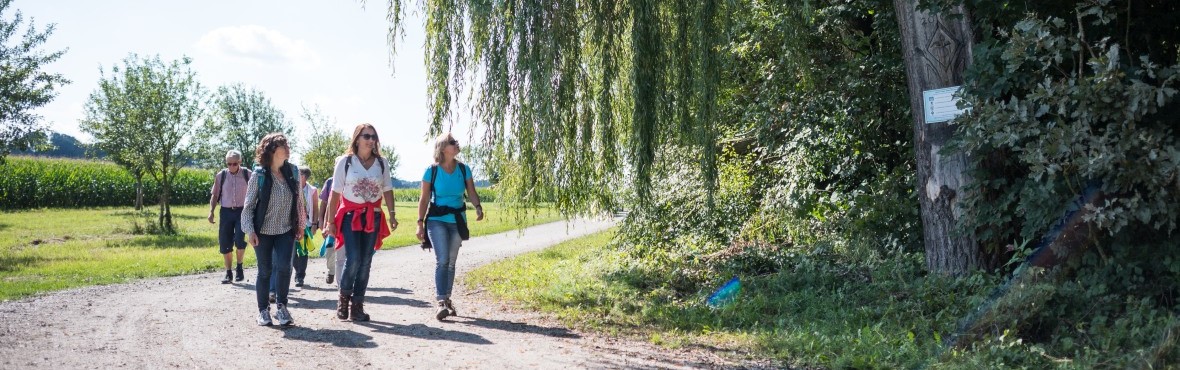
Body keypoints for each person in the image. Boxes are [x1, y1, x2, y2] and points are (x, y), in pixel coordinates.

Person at [324, 123, 398, 322]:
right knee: (354, 258)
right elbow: (335, 193)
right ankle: (344, 299)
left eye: (374, 137)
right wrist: (330, 221)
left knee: (366, 261)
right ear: (357, 139)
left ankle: (357, 305)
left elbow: (388, 189)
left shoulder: (382, 163)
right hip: (350, 216)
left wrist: (391, 214)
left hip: (372, 215)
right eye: (367, 136)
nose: (371, 140)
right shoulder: (345, 162)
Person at [415, 132, 484, 321]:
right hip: (437, 220)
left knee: (451, 262)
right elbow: (424, 199)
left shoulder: (463, 169)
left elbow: (471, 191)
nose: (456, 144)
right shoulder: (431, 171)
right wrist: (419, 223)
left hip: (458, 220)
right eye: (452, 142)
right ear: (443, 148)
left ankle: (447, 298)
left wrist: (478, 207)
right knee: (442, 259)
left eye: (456, 141)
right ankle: (441, 302)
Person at [242, 133, 306, 327]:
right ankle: (263, 311)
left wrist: (301, 225)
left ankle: (282, 307)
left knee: (285, 268)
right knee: (265, 271)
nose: (287, 147)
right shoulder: (259, 175)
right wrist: (250, 231)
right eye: (282, 144)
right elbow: (248, 207)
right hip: (262, 232)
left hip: (286, 230)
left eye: (287, 143)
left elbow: (299, 202)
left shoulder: (293, 172)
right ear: (271, 150)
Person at [207, 150, 250, 284]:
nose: (231, 166)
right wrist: (211, 211)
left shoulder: (247, 174)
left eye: (234, 164)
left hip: (242, 211)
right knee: (225, 242)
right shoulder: (222, 175)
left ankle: (240, 267)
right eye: (229, 164)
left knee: (239, 240)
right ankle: (228, 272)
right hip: (226, 212)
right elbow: (214, 195)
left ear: (240, 162)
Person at [292, 167, 319, 287]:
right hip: (292, 224)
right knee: (291, 252)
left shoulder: (312, 190)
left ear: (304, 176)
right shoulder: (291, 187)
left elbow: (315, 207)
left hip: (306, 224)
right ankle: (298, 270)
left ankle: (300, 276)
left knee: (303, 251)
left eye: (299, 173)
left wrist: (314, 224)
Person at [318, 176, 344, 285]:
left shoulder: (351, 178)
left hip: (345, 220)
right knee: (330, 247)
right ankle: (331, 271)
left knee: (344, 250)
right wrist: (322, 222)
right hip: (331, 221)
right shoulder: (330, 182)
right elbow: (324, 204)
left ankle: (343, 279)